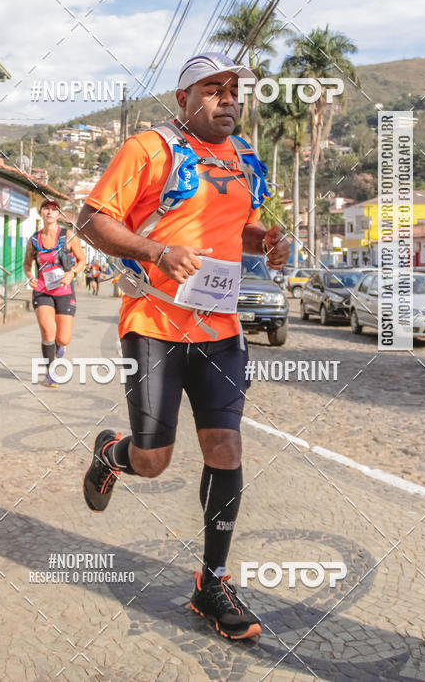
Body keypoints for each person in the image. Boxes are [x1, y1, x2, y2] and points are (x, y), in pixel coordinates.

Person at [77, 52, 289, 640]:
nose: (228, 99)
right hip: (154, 323)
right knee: (154, 461)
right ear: (183, 98)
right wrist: (155, 251)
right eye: (213, 89)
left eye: (235, 91)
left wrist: (267, 243)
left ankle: (212, 585)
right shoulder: (149, 149)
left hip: (221, 328)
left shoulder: (245, 158)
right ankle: (112, 455)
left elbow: (239, 229)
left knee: (225, 448)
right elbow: (90, 220)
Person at [24, 199, 86, 386]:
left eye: (54, 210)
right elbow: (27, 264)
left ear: (59, 214)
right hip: (42, 290)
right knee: (48, 331)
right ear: (41, 213)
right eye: (46, 209)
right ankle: (50, 374)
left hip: (64, 290)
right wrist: (30, 276)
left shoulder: (68, 236)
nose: (50, 212)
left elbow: (82, 260)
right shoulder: (34, 239)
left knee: (63, 338)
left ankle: (60, 347)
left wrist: (72, 273)